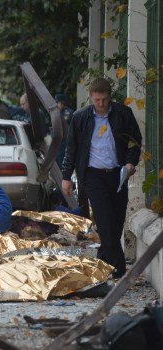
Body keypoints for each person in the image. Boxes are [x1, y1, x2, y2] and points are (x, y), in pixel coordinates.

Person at [61, 77, 142, 279]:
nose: (101, 104)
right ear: (90, 98)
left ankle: (102, 258)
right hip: (92, 176)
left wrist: (131, 163)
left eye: (104, 99)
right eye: (96, 100)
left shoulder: (123, 114)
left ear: (110, 97)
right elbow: (72, 148)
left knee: (116, 221)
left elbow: (135, 141)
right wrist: (66, 177)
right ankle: (118, 269)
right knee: (105, 221)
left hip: (117, 174)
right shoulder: (81, 118)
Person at [55, 93, 74, 170]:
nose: (56, 105)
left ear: (62, 103)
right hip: (60, 143)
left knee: (63, 164)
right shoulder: (60, 113)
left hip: (65, 142)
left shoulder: (67, 113)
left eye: (57, 103)